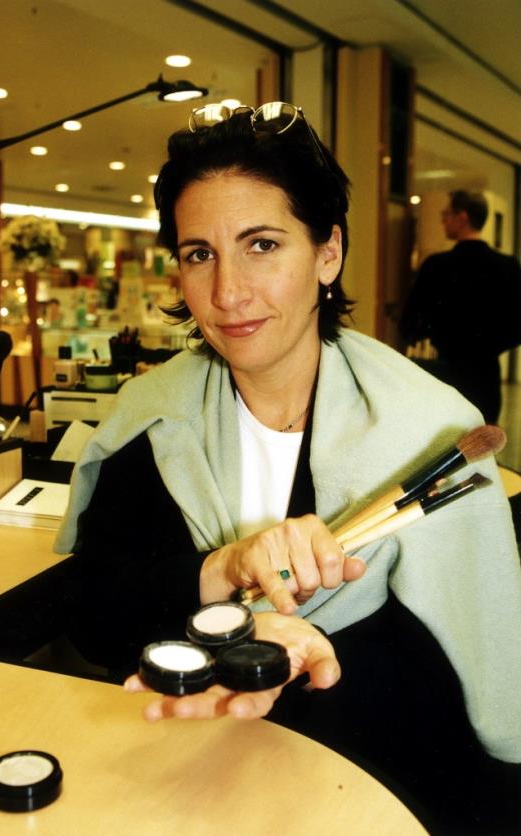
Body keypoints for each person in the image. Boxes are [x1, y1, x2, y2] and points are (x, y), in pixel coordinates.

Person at [55, 105, 521, 834]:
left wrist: (299, 652)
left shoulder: (429, 432)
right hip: (184, 772)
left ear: (327, 253)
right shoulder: (152, 417)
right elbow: (94, 612)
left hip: (364, 790)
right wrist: (226, 569)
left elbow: (470, 665)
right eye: (199, 253)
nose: (228, 292)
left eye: (262, 245)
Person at [400, 190, 521, 423]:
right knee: (481, 440)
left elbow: (410, 323)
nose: (443, 220)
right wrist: (489, 345)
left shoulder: (436, 266)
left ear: (462, 217)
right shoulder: (507, 266)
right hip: (486, 375)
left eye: (447, 214)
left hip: (444, 372)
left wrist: (437, 335)